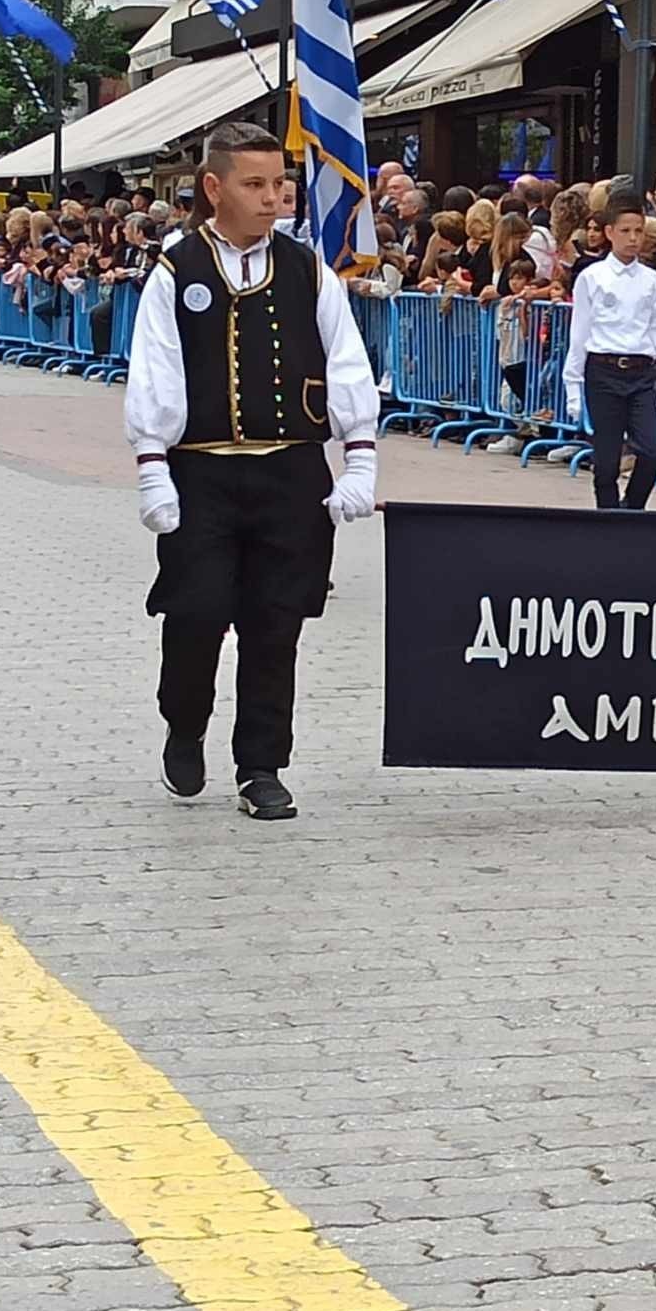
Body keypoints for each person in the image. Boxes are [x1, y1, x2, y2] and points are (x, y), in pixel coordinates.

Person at [123, 123, 380, 822]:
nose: (273, 199)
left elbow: (347, 360)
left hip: (291, 474)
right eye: (255, 184)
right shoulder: (176, 269)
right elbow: (155, 370)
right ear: (214, 187)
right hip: (201, 474)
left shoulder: (306, 269)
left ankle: (261, 762)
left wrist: (359, 456)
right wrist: (152, 466)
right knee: (196, 610)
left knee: (277, 624)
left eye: (279, 185)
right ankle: (184, 719)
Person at [563, 204, 656, 510]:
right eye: (625, 231)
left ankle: (633, 508)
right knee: (607, 461)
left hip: (640, 372)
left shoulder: (652, 281)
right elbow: (580, 331)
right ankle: (607, 517)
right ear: (609, 233)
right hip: (603, 370)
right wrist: (573, 383)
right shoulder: (592, 277)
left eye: (638, 231)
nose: (633, 238)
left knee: (651, 452)